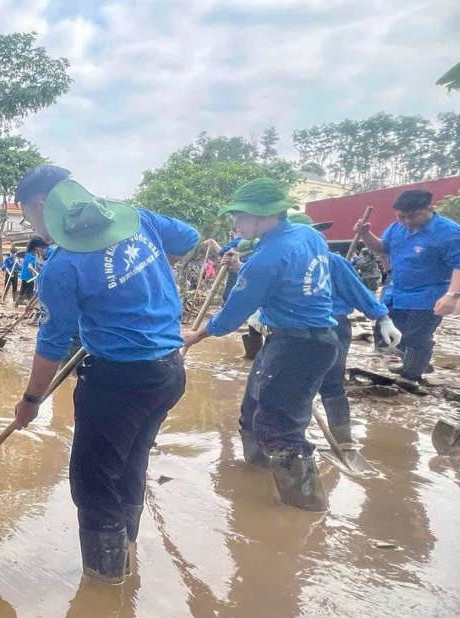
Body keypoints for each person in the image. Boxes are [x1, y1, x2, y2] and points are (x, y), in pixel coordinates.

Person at [10, 166, 196, 584]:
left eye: (28, 217)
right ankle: (126, 559)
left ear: (41, 206)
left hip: (117, 382)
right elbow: (188, 238)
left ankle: (105, 586)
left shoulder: (62, 266)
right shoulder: (138, 218)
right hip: (169, 369)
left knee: (94, 483)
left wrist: (31, 401)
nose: (33, 227)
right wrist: (144, 279)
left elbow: (53, 344)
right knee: (130, 466)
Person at [183, 178, 338, 512]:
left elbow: (231, 316)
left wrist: (197, 335)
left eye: (239, 216)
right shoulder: (308, 235)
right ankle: (255, 473)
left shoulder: (266, 259)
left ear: (262, 215)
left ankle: (306, 509)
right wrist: (240, 258)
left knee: (281, 431)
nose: (234, 224)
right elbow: (280, 272)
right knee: (253, 412)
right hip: (308, 341)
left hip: (296, 346)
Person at [284, 212, 403, 446]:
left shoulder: (332, 262)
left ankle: (342, 440)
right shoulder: (284, 261)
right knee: (296, 385)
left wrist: (383, 318)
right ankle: (293, 439)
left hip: (330, 327)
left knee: (329, 382)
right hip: (294, 328)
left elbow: (358, 292)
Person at [355, 189, 460, 382]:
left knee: (417, 337)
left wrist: (452, 295)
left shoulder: (449, 232)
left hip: (428, 296)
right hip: (396, 293)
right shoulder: (397, 228)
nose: (407, 221)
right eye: (401, 217)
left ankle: (411, 377)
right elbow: (381, 248)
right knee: (385, 332)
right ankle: (400, 366)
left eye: (412, 216)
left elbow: (458, 264)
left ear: (430, 208)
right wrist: (366, 234)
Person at [18, 237, 46, 305]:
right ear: (36, 248)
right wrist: (37, 274)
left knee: (23, 291)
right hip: (29, 277)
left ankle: (18, 303)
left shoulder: (28, 254)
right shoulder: (32, 256)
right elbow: (30, 266)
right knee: (29, 292)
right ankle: (28, 304)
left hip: (24, 276)